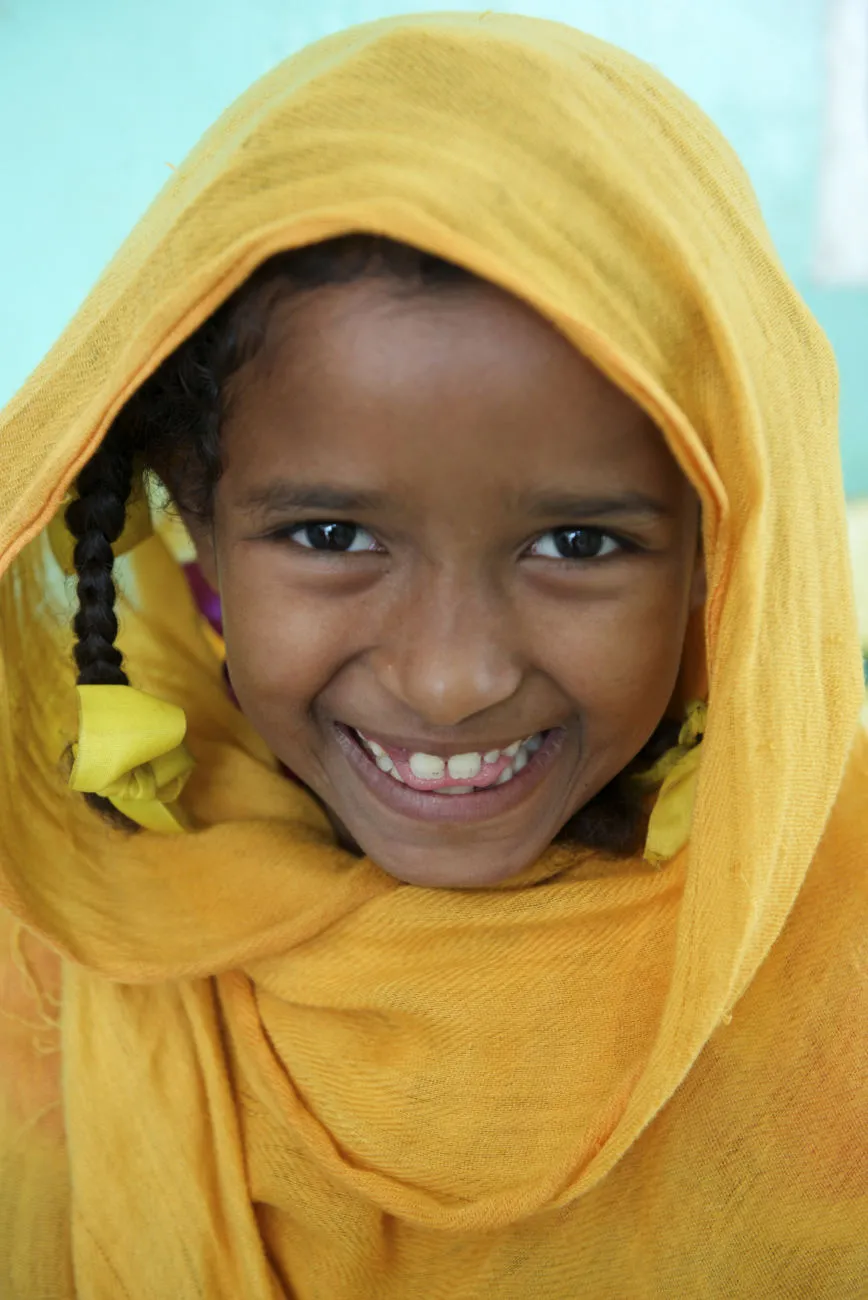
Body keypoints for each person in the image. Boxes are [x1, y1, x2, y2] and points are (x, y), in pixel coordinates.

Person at [0, 12, 865, 1298]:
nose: (451, 679)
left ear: (720, 550)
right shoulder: (60, 931)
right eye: (333, 532)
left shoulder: (834, 965)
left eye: (577, 543)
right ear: (192, 523)